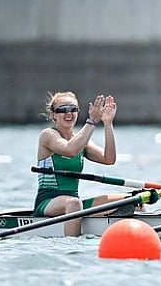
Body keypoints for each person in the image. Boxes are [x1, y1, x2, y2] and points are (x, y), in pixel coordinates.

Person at [34, 92, 127, 236]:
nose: (68, 113)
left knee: (129, 201)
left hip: (74, 202)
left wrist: (107, 124)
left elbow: (109, 159)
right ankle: (73, 247)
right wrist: (91, 122)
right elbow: (69, 150)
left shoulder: (82, 141)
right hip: (47, 202)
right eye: (62, 110)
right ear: (53, 114)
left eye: (73, 109)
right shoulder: (48, 135)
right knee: (75, 203)